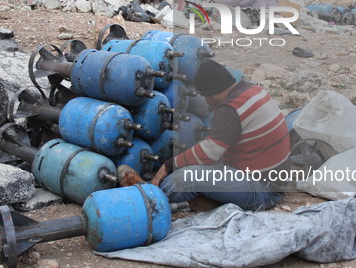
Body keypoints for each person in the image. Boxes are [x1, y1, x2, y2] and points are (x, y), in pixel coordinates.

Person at [119, 59, 291, 211]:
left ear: (212, 91)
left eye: (204, 95)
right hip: (273, 180)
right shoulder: (252, 90)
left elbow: (210, 152)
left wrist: (169, 165)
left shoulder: (229, 109)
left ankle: (148, 198)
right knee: (197, 164)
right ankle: (200, 202)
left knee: (183, 179)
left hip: (262, 191)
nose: (207, 101)